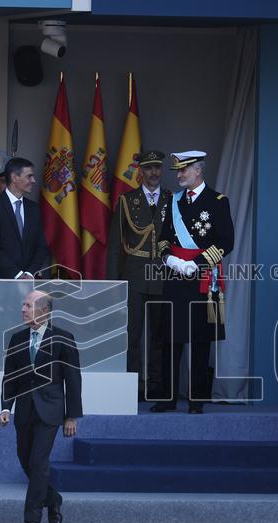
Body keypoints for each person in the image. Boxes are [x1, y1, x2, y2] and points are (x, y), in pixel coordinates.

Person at [151, 150, 234, 415]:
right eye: (178, 171)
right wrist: (170, 260)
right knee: (170, 339)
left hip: (203, 277)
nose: (179, 175)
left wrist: (196, 264)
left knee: (199, 339)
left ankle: (197, 399)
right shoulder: (171, 201)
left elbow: (226, 241)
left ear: (198, 170)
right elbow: (162, 238)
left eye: (184, 170)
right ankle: (167, 397)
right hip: (175, 277)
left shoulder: (218, 201)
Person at [0, 290, 82, 523]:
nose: (23, 309)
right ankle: (53, 498)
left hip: (51, 410)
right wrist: (5, 407)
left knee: (38, 462)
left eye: (28, 305)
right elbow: (9, 377)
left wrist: (72, 415)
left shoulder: (63, 338)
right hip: (24, 410)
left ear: (44, 311)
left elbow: (73, 379)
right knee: (25, 459)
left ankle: (32, 520)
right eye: (23, 304)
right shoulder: (16, 339)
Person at [105, 150, 170, 401]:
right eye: (149, 168)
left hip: (163, 274)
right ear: (140, 171)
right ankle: (131, 386)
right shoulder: (126, 200)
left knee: (160, 334)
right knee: (132, 334)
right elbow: (114, 245)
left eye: (157, 168)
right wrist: (114, 282)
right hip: (134, 274)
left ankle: (156, 385)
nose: (154, 173)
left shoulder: (171, 199)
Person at [0, 157, 51, 280]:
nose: (33, 180)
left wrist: (29, 273)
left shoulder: (34, 209)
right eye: (29, 176)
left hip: (29, 281)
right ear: (14, 177)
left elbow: (41, 246)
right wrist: (17, 274)